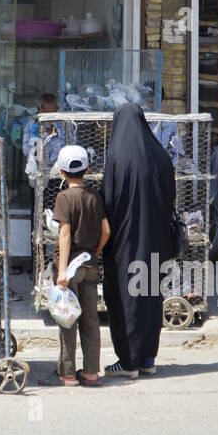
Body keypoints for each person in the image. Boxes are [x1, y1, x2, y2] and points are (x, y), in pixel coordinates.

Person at [101, 101, 177, 378]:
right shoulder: (160, 156)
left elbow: (108, 202)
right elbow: (171, 200)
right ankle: (147, 358)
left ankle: (128, 362)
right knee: (150, 296)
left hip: (125, 244)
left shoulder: (118, 156)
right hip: (157, 241)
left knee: (126, 298)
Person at [50, 144, 110, 387]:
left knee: (68, 318)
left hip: (70, 267)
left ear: (62, 172)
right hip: (90, 265)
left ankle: (68, 373)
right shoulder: (95, 196)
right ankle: (92, 371)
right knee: (90, 319)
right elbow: (106, 230)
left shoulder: (64, 198)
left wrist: (63, 270)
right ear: (86, 169)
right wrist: (95, 251)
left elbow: (64, 234)